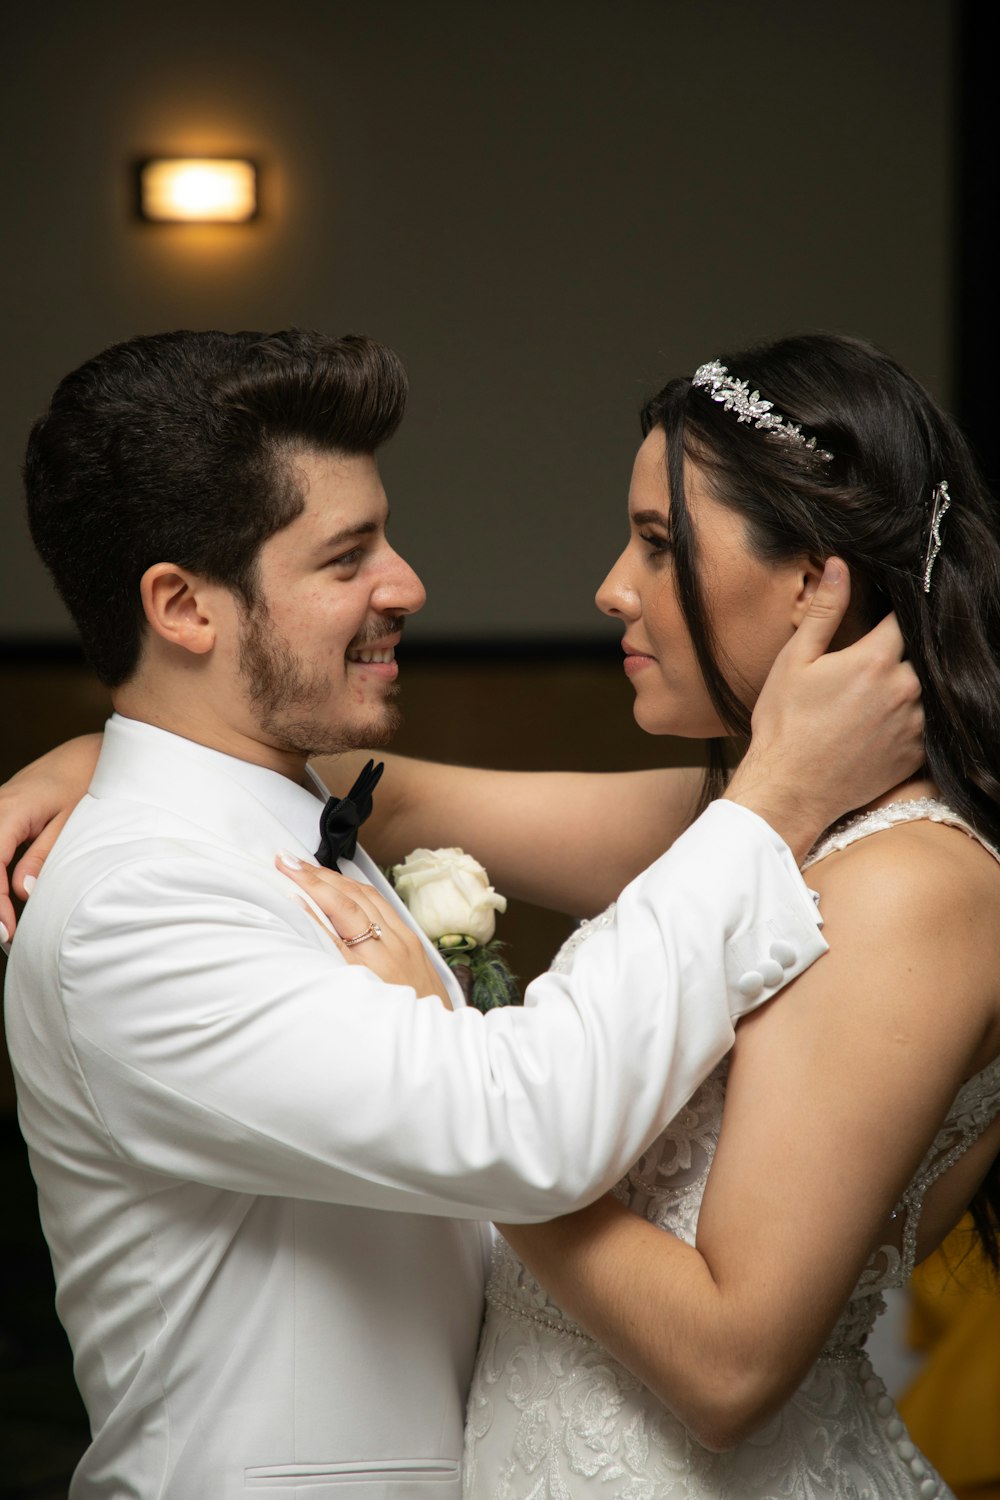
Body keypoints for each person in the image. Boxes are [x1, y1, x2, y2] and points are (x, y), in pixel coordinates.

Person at [0, 328, 921, 1500]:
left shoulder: (280, 810)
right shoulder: (136, 905)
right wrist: (778, 792)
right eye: (347, 558)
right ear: (183, 608)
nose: (408, 585)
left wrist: (106, 753)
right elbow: (524, 1131)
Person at [280, 333, 998, 1500]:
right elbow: (388, 790)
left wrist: (464, 1097)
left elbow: (728, 1367)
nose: (612, 586)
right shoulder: (744, 825)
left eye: (660, 546)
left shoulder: (909, 890)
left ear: (817, 585)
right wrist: (108, 767)